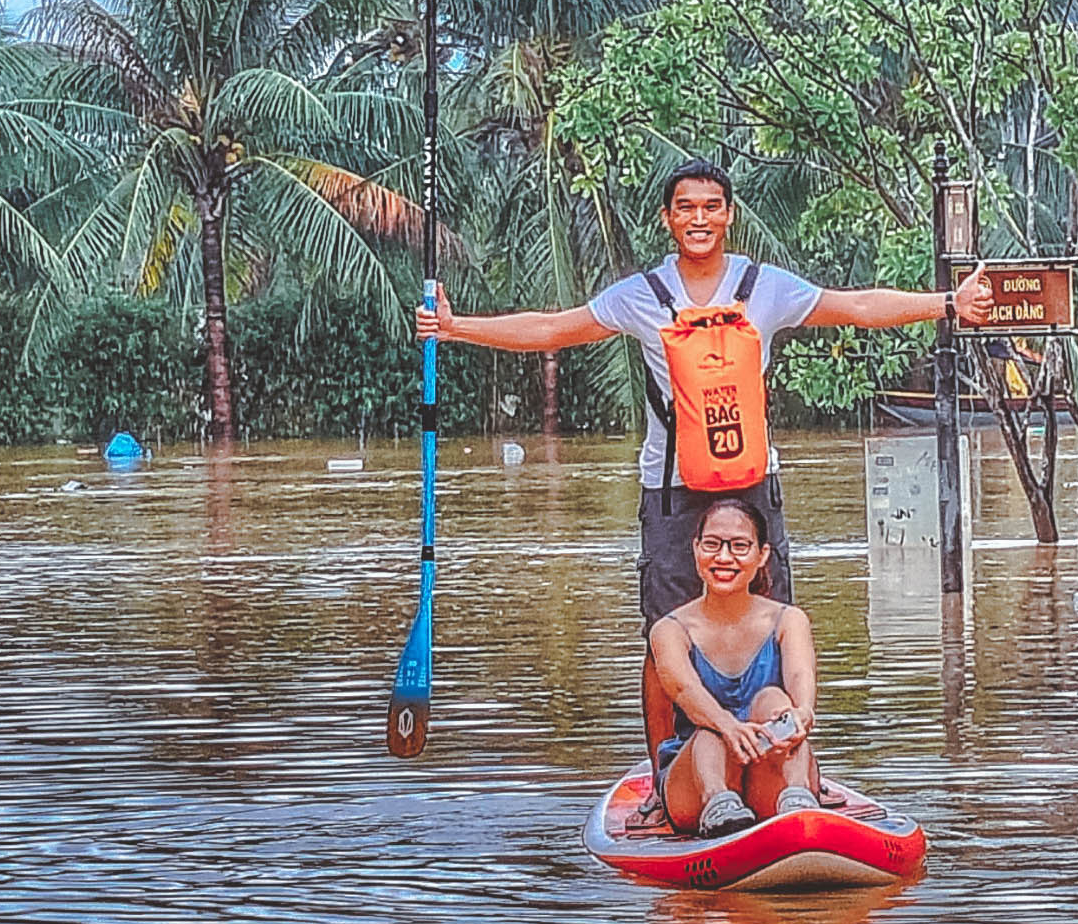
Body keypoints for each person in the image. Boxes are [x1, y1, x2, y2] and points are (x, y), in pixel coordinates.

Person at [417, 159, 994, 758]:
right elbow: (554, 328)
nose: (699, 218)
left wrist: (948, 304)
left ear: (729, 216)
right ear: (669, 219)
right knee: (665, 636)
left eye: (711, 207)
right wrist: (458, 329)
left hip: (753, 487)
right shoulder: (641, 295)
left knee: (772, 630)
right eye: (686, 207)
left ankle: (778, 764)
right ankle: (667, 776)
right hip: (672, 495)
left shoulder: (763, 286)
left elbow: (856, 307)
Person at [651, 498, 815, 836]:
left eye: (740, 546)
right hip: (695, 778)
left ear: (762, 555)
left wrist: (802, 713)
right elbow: (685, 689)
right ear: (696, 550)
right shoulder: (669, 630)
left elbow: (800, 675)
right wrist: (729, 727)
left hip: (767, 772)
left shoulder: (787, 620)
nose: (724, 557)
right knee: (710, 727)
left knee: (774, 700)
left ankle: (797, 797)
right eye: (712, 544)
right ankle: (720, 804)